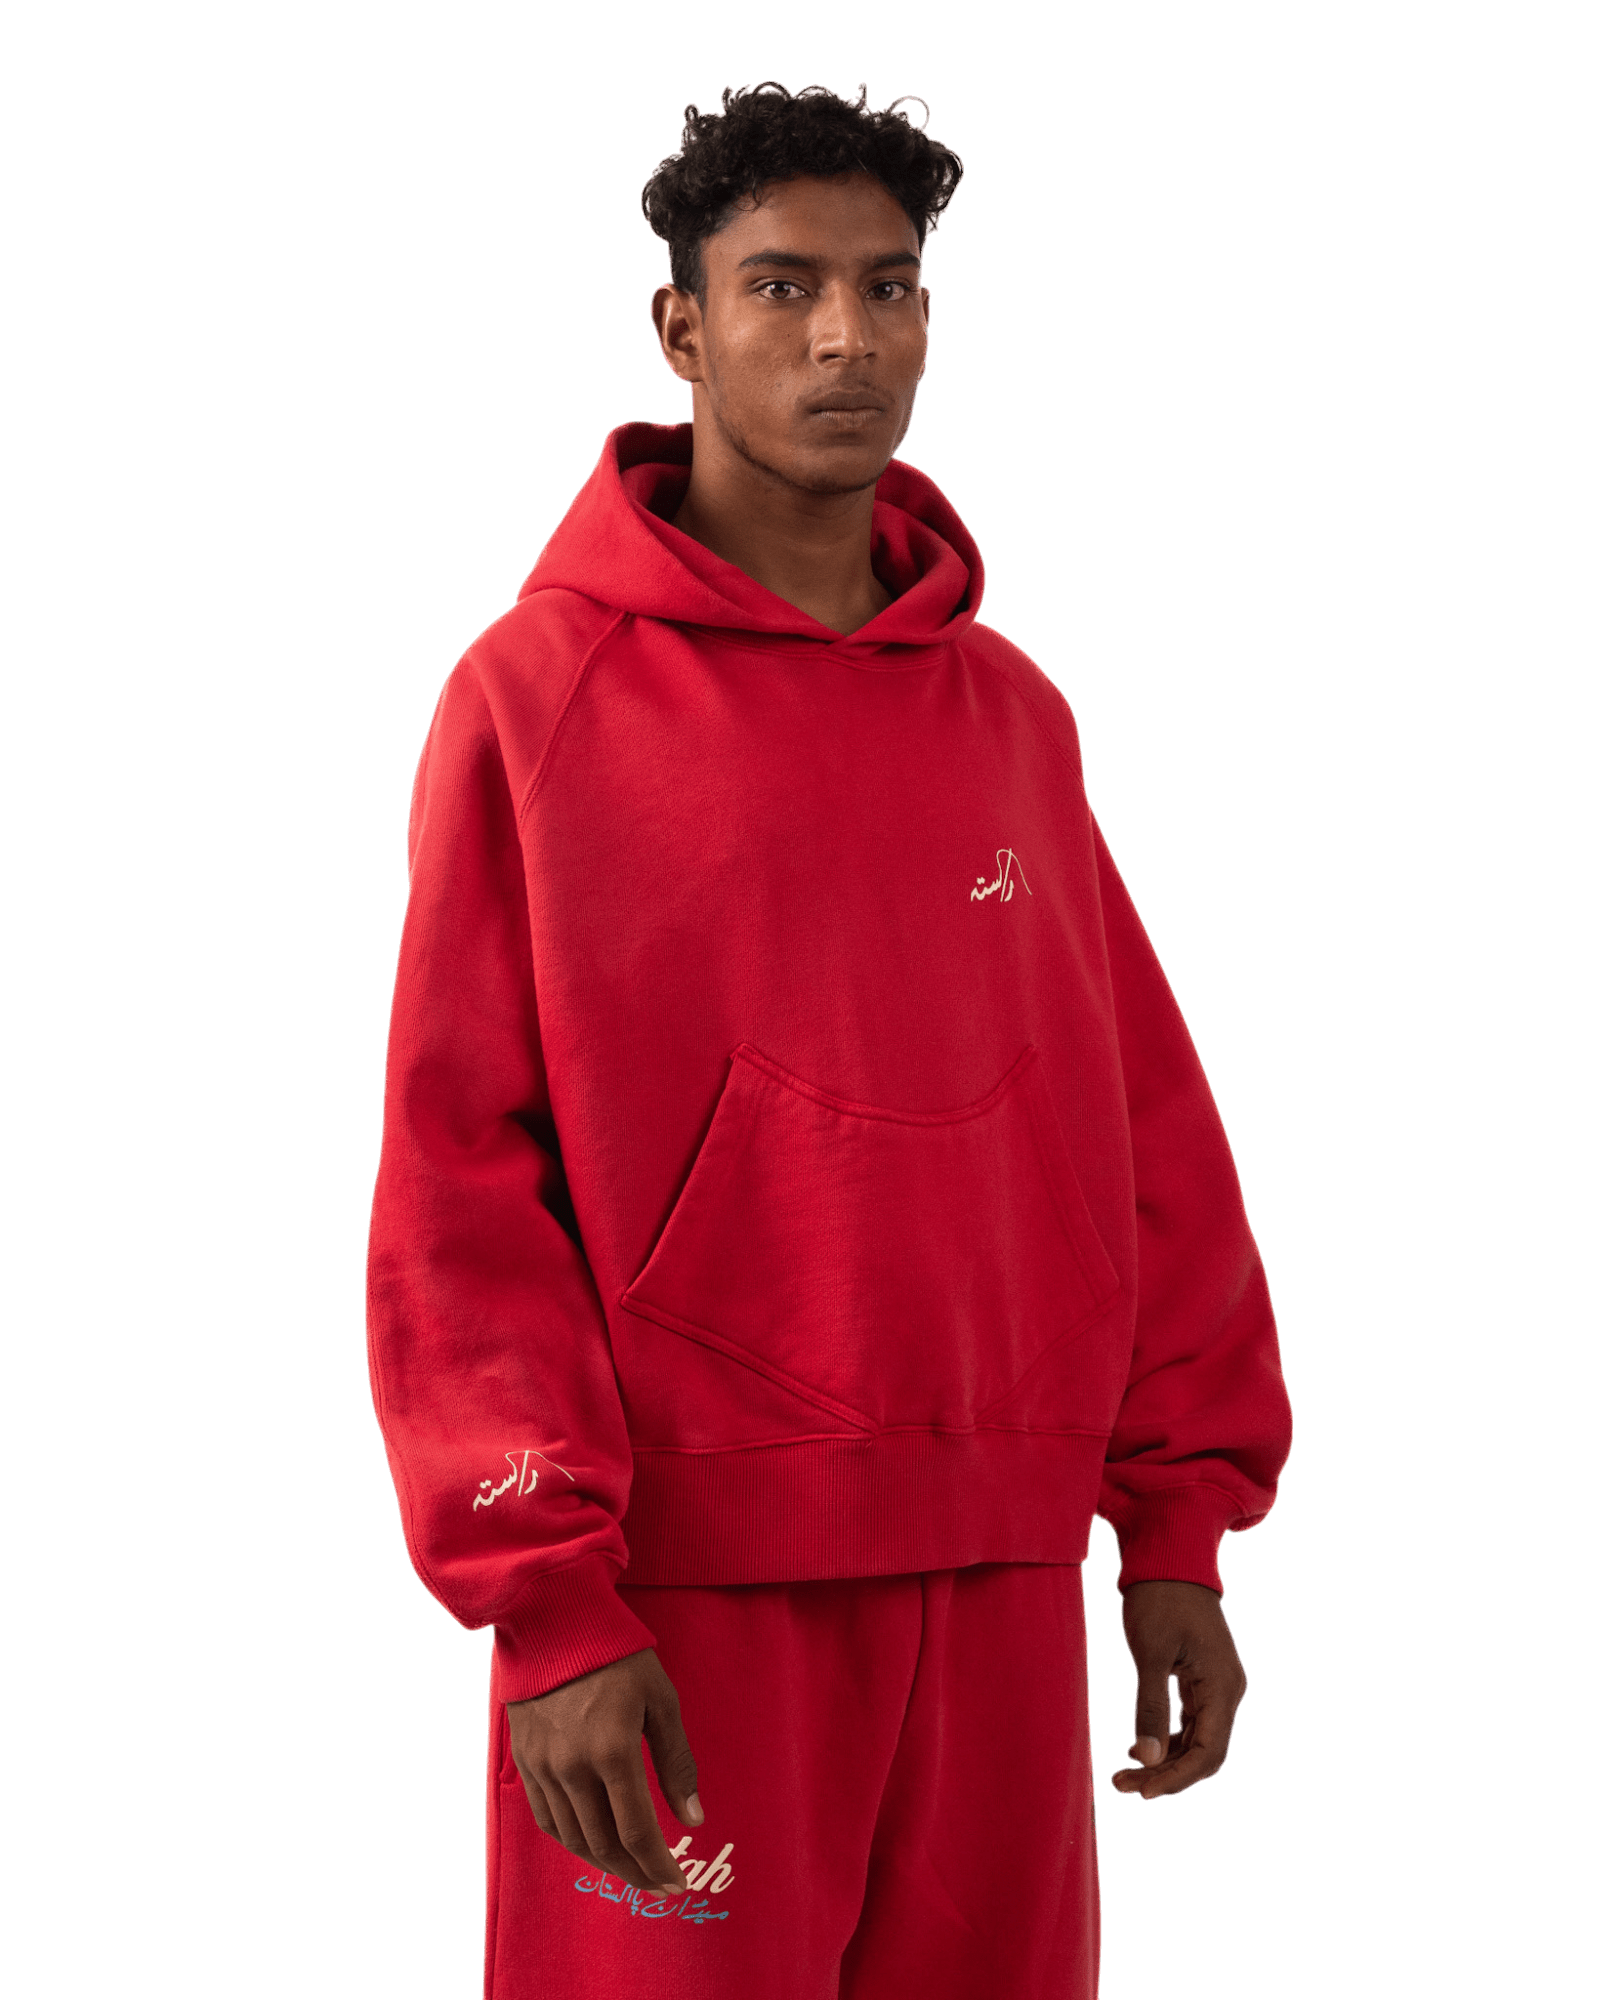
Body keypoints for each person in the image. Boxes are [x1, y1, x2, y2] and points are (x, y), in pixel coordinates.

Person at [365, 78, 1292, 2000]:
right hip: (688, 1592)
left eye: (889, 288)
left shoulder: (1013, 714)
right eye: (780, 287)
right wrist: (544, 1602)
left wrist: (1174, 1525)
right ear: (679, 327)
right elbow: (459, 1176)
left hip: (1005, 1577)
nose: (845, 339)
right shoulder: (535, 696)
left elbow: (1134, 1128)